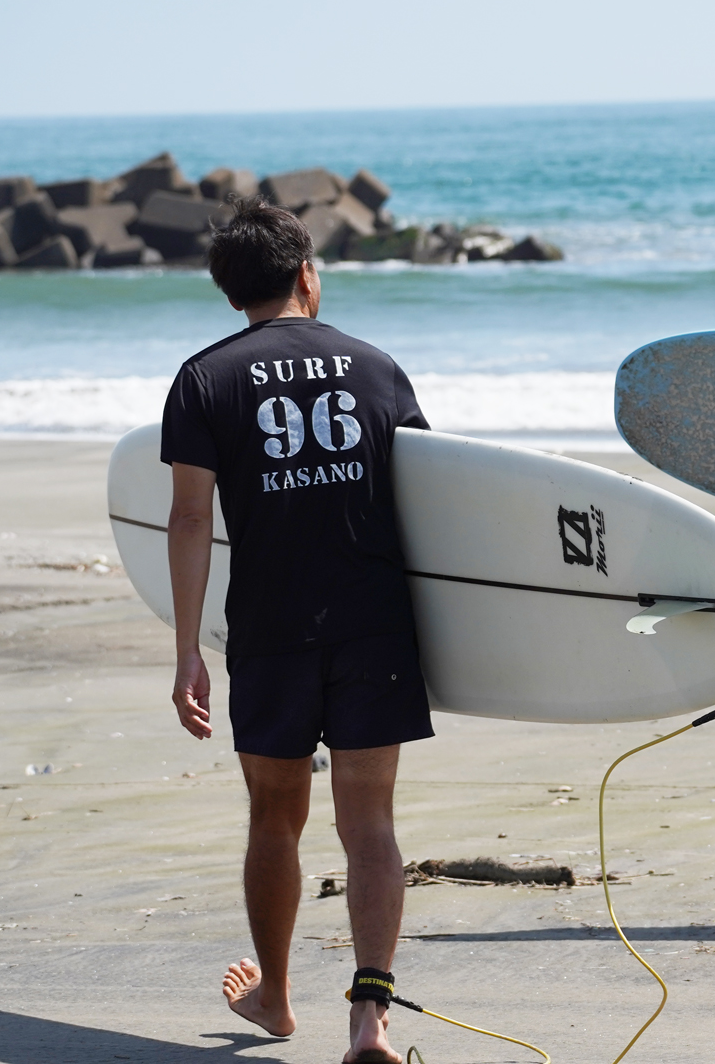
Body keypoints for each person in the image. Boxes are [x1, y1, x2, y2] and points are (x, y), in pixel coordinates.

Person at [163, 197, 432, 1063]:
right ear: (307, 276)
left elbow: (190, 522)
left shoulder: (204, 378)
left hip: (272, 634)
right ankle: (370, 1016)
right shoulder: (378, 369)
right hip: (375, 629)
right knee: (372, 824)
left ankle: (277, 1001)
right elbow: (434, 508)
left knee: (275, 818)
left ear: (230, 290)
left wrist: (187, 654)